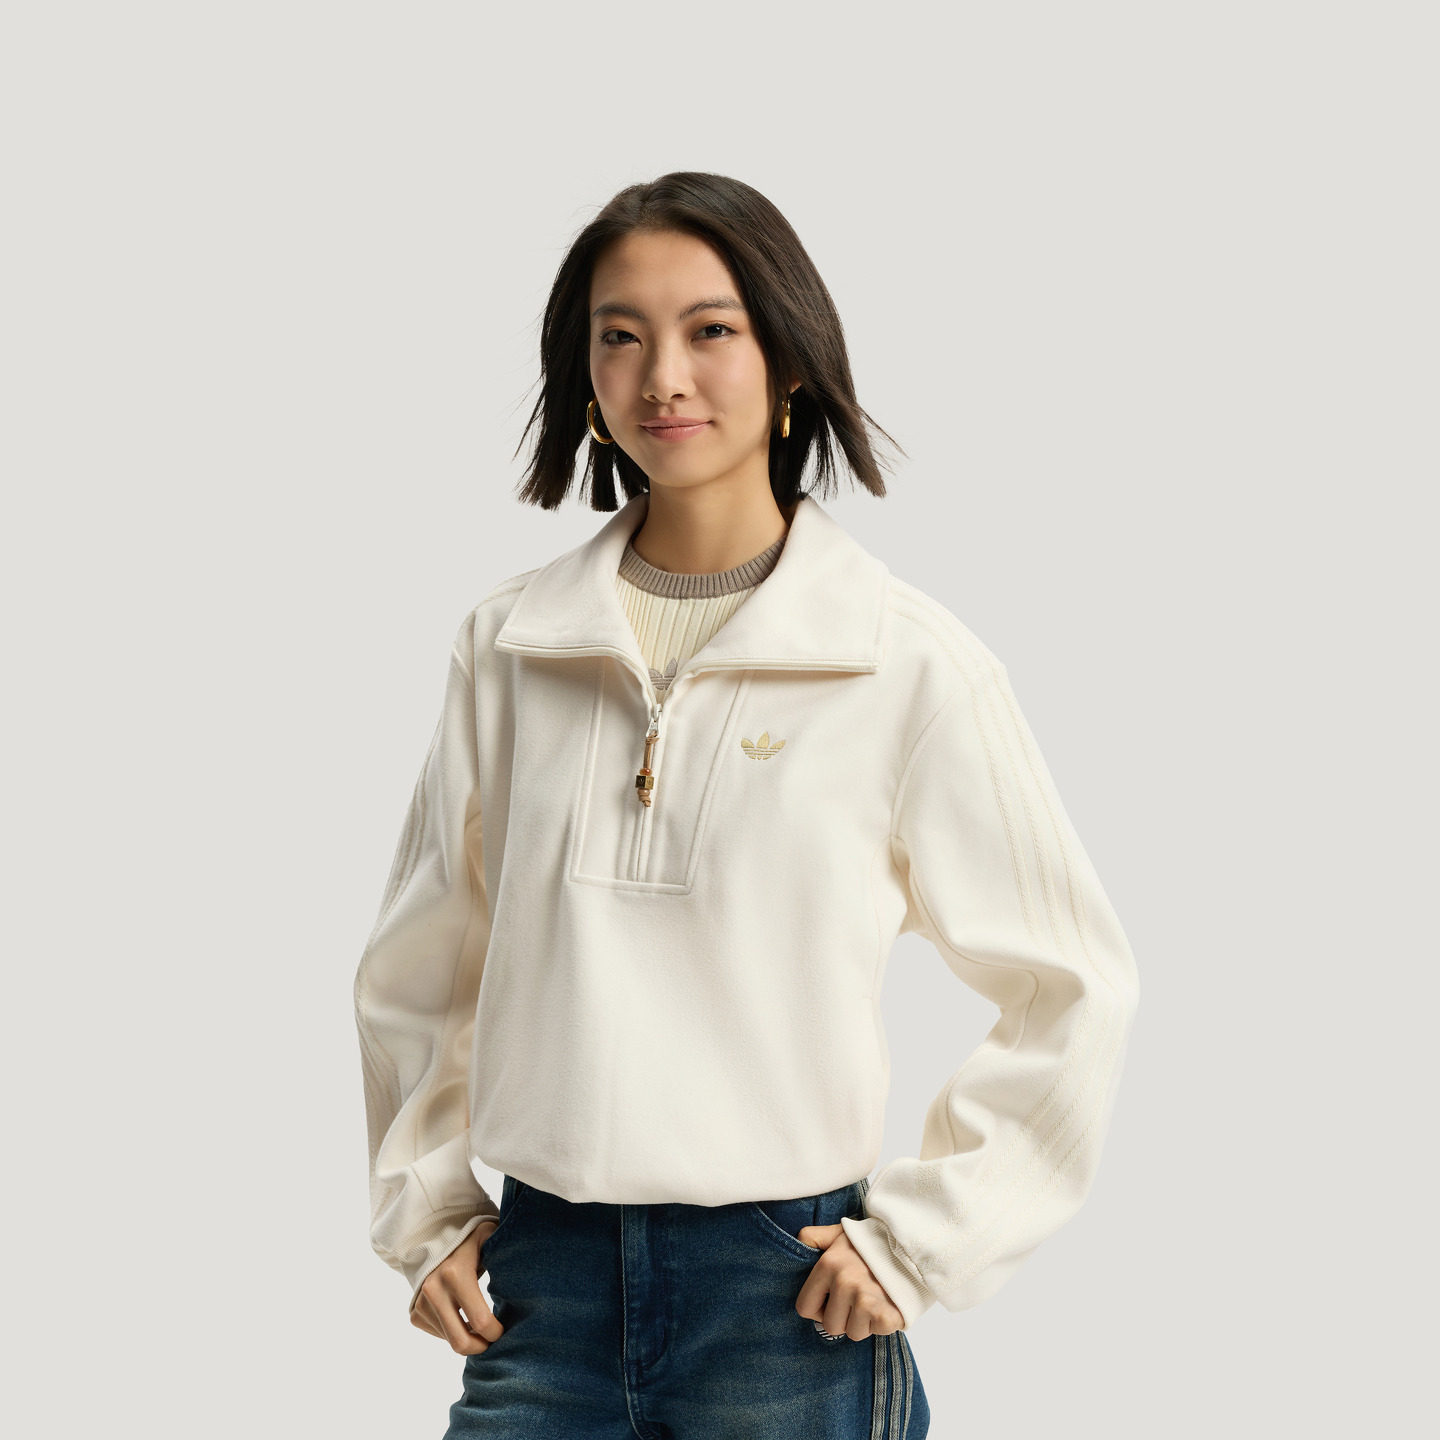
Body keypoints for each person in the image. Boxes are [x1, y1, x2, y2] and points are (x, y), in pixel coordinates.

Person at [352, 171, 1141, 1439]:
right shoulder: (509, 648)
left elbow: (1072, 983)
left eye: (710, 329)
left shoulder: (906, 664)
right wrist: (426, 1209)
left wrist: (924, 1241)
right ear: (585, 378)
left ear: (789, 361)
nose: (663, 376)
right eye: (621, 335)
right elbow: (420, 960)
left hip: (789, 1302)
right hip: (541, 1291)